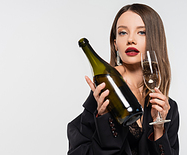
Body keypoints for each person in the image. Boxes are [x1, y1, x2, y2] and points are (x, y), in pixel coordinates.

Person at [67, 3, 179, 155]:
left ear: (155, 40)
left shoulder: (167, 107)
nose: (130, 39)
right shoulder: (104, 93)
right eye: (123, 33)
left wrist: (159, 128)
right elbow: (79, 151)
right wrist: (105, 118)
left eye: (141, 32)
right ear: (115, 45)